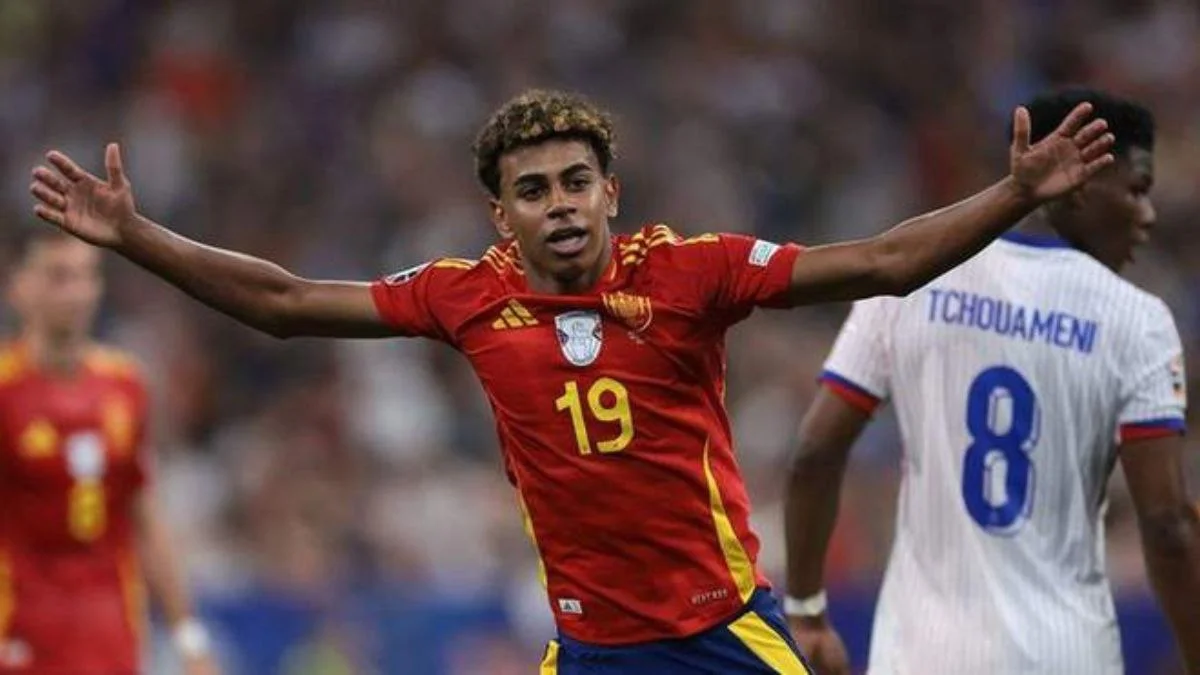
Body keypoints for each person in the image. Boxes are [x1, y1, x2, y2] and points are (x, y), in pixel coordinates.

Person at [28, 89, 1112, 673]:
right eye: (534, 189)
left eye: (576, 182)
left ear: (611, 192)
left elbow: (881, 261)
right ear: (502, 214)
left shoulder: (692, 272)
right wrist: (136, 236)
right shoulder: (464, 294)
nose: (560, 204)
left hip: (723, 634)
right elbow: (283, 302)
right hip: (593, 651)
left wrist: (1014, 194)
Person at [784, 88, 1200, 675]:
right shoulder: (1138, 320)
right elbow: (1166, 523)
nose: (1147, 215)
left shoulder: (912, 280)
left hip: (919, 655)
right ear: (1080, 183)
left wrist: (806, 611)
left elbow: (814, 451)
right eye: (1137, 189)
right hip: (1065, 654)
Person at [0, 228, 219, 674]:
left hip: (109, 629)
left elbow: (143, 513)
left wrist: (189, 637)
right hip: (19, 626)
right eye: (59, 276)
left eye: (87, 276)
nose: (77, 293)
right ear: (19, 287)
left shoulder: (124, 385)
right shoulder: (6, 391)